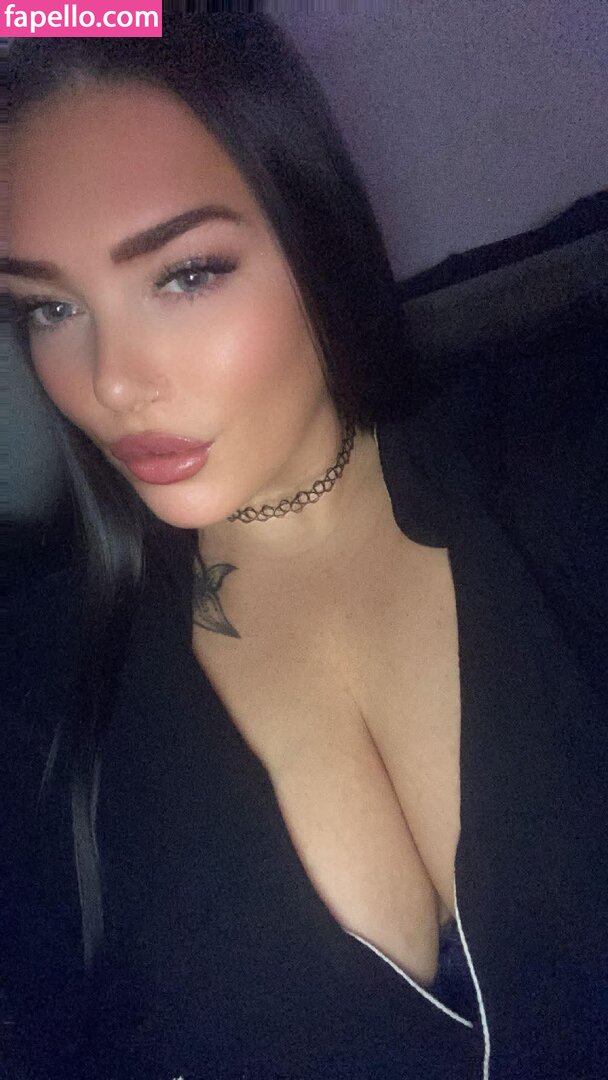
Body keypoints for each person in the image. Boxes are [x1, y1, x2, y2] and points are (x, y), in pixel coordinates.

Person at [2, 14, 606, 1080]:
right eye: (50, 307)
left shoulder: (564, 473)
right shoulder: (37, 693)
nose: (111, 381)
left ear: (312, 232)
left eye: (185, 275)